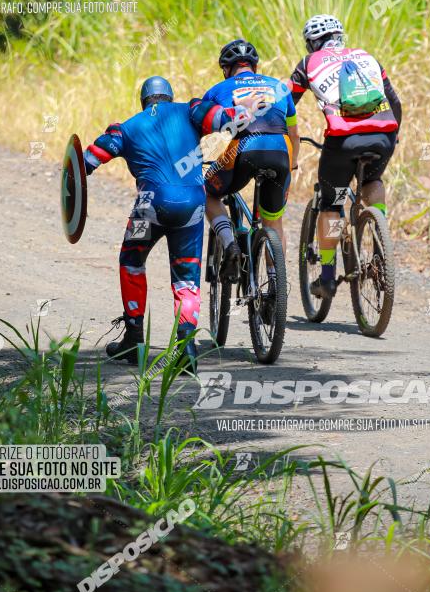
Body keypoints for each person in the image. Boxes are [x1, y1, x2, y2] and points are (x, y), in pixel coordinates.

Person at [83, 75, 244, 369]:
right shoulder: (191, 110)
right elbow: (224, 119)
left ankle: (133, 339)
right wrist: (242, 109)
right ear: (169, 97)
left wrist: (74, 180)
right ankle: (186, 349)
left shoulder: (126, 127)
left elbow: (89, 160)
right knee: (186, 279)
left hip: (149, 209)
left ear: (144, 101)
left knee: (132, 260)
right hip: (193, 207)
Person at [288, 14, 402, 299]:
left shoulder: (308, 62)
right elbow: (395, 101)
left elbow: (287, 102)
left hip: (343, 141)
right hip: (383, 136)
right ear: (341, 36)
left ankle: (326, 277)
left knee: (332, 202)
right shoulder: (367, 57)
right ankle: (379, 244)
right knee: (373, 181)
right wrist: (393, 136)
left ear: (312, 42)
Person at [203, 39, 299, 282]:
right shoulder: (279, 87)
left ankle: (228, 243)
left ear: (226, 69)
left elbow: (203, 127)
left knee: (207, 193)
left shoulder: (218, 89)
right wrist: (293, 163)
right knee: (273, 220)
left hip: (243, 150)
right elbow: (294, 134)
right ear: (254, 67)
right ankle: (275, 287)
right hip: (280, 151)